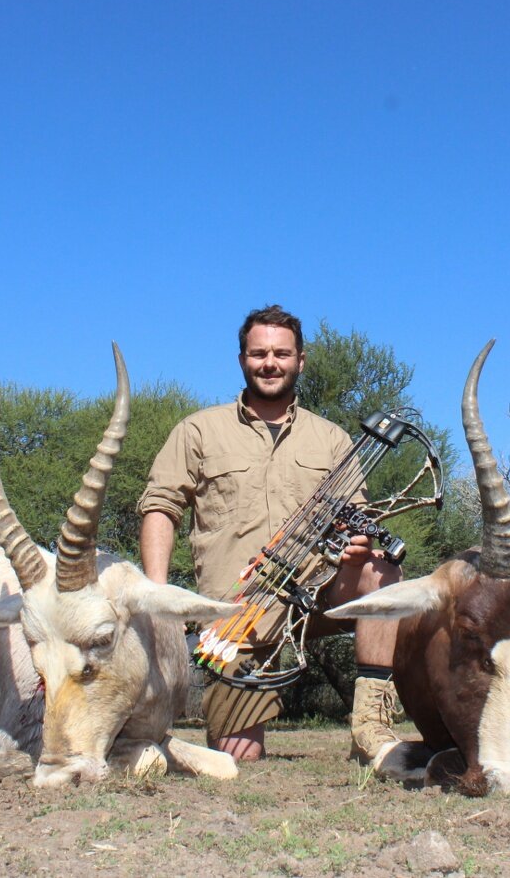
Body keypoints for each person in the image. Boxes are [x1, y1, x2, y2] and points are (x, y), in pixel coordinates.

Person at [138, 305, 406, 771]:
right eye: (258, 353)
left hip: (318, 595)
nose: (270, 363)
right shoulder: (199, 430)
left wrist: (358, 545)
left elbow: (356, 518)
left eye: (281, 353)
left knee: (382, 569)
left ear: (300, 361)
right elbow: (161, 506)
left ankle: (368, 726)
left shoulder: (332, 439)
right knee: (239, 757)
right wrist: (158, 596)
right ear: (242, 359)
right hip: (238, 614)